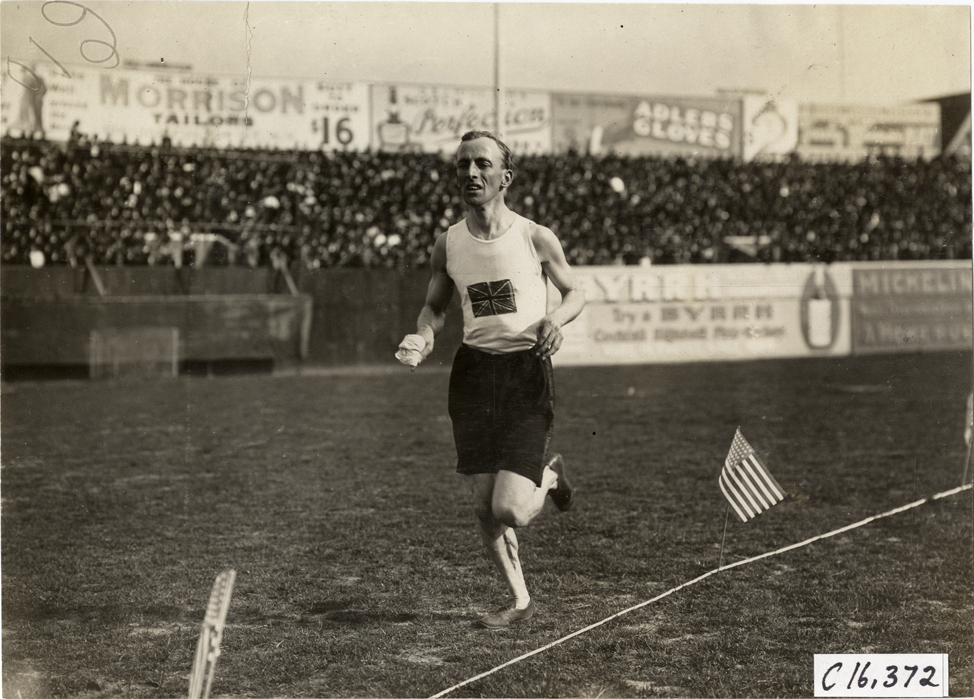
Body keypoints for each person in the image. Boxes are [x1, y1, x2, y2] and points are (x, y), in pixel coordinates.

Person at [397, 130, 585, 628]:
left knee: (513, 510)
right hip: (474, 375)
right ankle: (520, 602)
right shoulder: (448, 243)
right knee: (484, 506)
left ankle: (551, 477)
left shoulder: (534, 236)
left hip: (525, 373)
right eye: (462, 165)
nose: (471, 174)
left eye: (482, 164)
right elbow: (434, 309)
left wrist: (555, 321)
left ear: (506, 176)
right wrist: (421, 336)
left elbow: (575, 294)